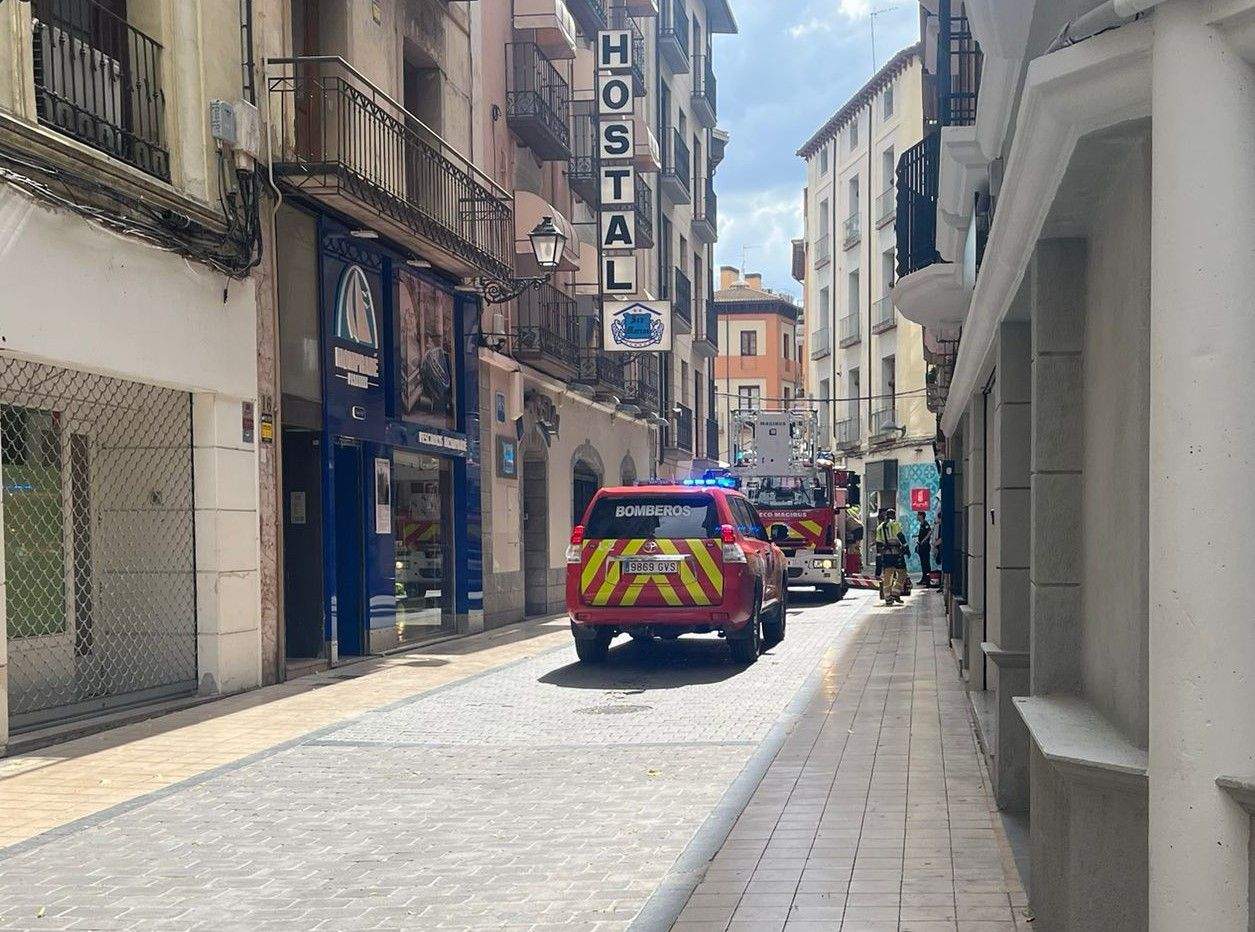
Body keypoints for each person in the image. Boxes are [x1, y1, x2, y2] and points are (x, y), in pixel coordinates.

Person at [875, 508, 909, 604]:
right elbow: (900, 536)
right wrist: (906, 547)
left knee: (888, 575)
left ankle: (888, 598)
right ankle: (895, 593)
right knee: (902, 573)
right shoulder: (895, 524)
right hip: (896, 553)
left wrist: (879, 556)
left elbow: (878, 543)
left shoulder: (880, 527)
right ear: (894, 515)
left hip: (886, 554)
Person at [916, 511, 933, 587]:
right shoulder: (922, 524)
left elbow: (929, 532)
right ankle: (924, 579)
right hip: (921, 547)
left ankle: (928, 581)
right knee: (923, 564)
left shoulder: (925, 523)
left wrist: (923, 540)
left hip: (925, 547)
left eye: (918, 515)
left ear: (921, 516)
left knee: (926, 564)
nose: (917, 517)